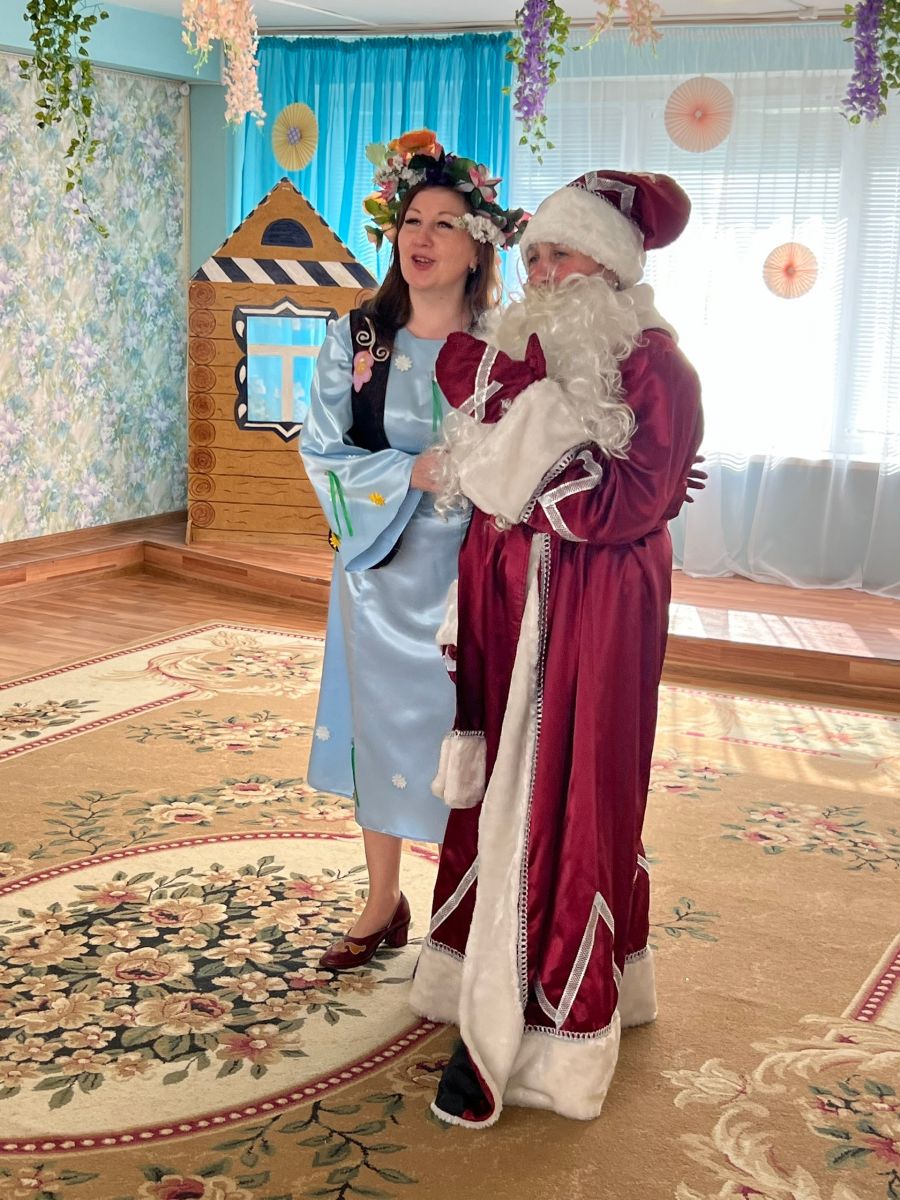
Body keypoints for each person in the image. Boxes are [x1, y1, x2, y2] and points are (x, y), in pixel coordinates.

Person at [408, 170, 705, 1125]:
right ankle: (475, 973)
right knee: (502, 785)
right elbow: (486, 468)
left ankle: (539, 1035)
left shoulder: (659, 369)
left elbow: (621, 506)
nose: (540, 272)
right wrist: (512, 444)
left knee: (564, 793)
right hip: (507, 604)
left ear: (609, 266)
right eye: (532, 255)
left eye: (561, 255)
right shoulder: (521, 356)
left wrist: (518, 446)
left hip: (592, 611)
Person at [299, 129, 526, 971]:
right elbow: (321, 451)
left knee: (471, 733)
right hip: (380, 569)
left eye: (445, 224)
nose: (422, 238)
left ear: (478, 247)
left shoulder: (507, 344)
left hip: (477, 573)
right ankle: (382, 898)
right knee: (384, 733)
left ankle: (468, 908)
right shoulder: (361, 340)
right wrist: (410, 473)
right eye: (412, 221)